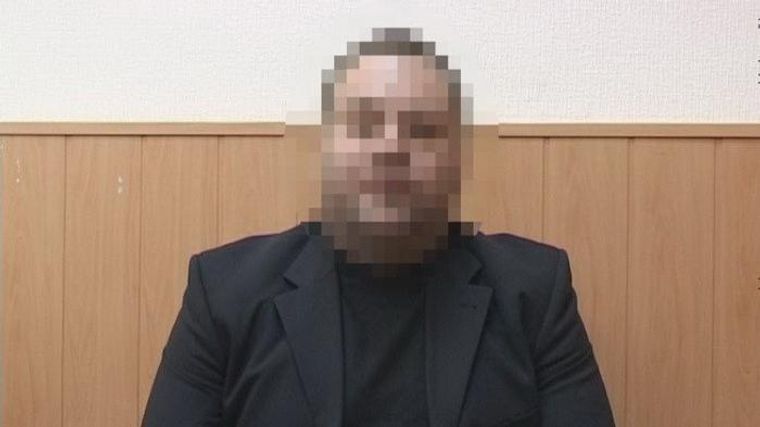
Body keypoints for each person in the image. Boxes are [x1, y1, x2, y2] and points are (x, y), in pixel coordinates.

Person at [142, 27, 615, 427]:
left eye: (422, 129)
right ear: (326, 152)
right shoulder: (224, 294)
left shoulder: (535, 293)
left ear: (455, 163)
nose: (391, 147)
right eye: (365, 124)